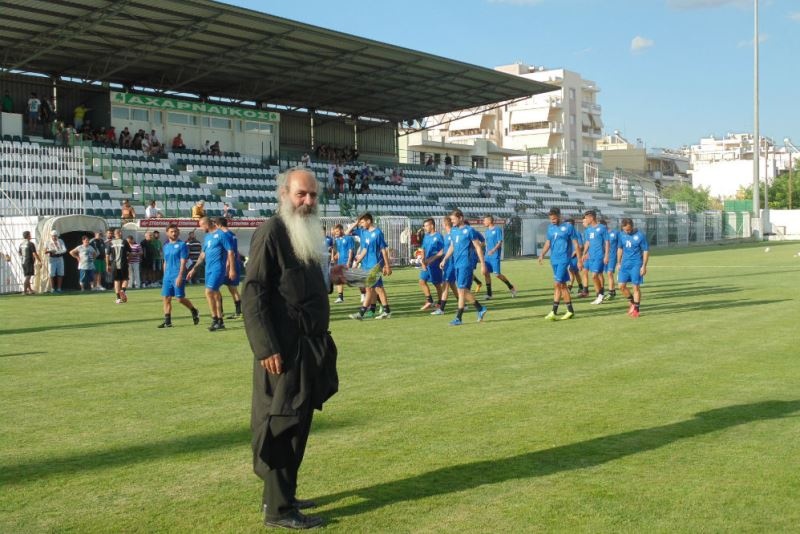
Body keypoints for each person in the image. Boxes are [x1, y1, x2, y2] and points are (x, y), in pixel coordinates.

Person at [242, 167, 341, 530]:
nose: (308, 201)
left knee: (298, 426)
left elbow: (299, 287)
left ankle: (285, 495)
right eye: (302, 194)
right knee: (282, 426)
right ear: (284, 194)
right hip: (281, 353)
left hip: (309, 349)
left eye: (313, 195)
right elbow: (253, 294)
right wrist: (265, 346)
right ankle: (278, 510)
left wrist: (333, 281)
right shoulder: (271, 231)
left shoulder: (307, 233)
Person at [440, 209, 488, 326]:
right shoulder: (453, 231)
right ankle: (460, 318)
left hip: (465, 264)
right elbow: (452, 246)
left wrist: (482, 264)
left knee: (461, 289)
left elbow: (478, 247)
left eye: (453, 219)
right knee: (462, 291)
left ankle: (479, 308)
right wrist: (445, 259)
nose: (452, 221)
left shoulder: (469, 230)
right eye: (451, 220)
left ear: (460, 218)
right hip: (456, 263)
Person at [187, 217, 235, 331]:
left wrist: (232, 269)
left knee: (208, 292)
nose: (201, 228)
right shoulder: (207, 237)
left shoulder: (222, 235)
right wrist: (193, 269)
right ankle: (220, 321)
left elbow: (230, 251)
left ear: (207, 224)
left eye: (201, 225)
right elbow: (202, 255)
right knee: (215, 293)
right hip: (208, 269)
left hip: (218, 268)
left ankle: (214, 319)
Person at [347, 212, 392, 320]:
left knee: (373, 288)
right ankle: (384, 311)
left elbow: (383, 250)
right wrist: (356, 222)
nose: (361, 224)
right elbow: (347, 232)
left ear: (369, 221)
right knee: (374, 288)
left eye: (362, 222)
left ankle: (363, 313)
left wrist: (387, 265)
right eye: (360, 222)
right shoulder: (363, 232)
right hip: (366, 264)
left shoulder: (377, 233)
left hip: (375, 263)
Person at [538, 207, 581, 321]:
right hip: (554, 259)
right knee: (562, 285)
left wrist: (580, 260)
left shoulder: (568, 227)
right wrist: (542, 254)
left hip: (564, 259)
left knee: (557, 284)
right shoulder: (550, 228)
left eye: (554, 218)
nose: (553, 221)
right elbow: (548, 242)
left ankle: (554, 311)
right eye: (551, 219)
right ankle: (569, 311)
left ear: (559, 216)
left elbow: (576, 244)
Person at [158, 223, 200, 328]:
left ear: (179, 232)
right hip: (167, 275)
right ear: (167, 233)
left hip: (177, 274)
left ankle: (194, 310)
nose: (174, 233)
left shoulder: (182, 245)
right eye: (172, 231)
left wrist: (180, 276)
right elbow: (165, 262)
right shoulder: (166, 246)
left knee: (179, 298)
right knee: (166, 298)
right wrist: (164, 275)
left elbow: (183, 262)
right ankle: (167, 321)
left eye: (176, 231)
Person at [616, 217, 650, 318]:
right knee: (621, 286)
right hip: (624, 264)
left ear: (632, 226)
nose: (628, 231)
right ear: (622, 228)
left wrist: (644, 266)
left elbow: (645, 251)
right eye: (626, 229)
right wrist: (618, 262)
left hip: (636, 264)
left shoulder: (640, 236)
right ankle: (632, 302)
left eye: (629, 229)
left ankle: (636, 310)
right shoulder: (621, 235)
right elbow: (620, 249)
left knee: (635, 287)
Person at [482, 215, 517, 300]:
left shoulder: (497, 229)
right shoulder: (486, 231)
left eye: (484, 221)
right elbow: (486, 243)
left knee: (497, 274)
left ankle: (511, 287)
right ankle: (489, 294)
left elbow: (499, 242)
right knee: (486, 273)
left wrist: (493, 250)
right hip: (487, 256)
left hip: (495, 255)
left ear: (490, 221)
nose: (483, 222)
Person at [216, 217, 243, 319]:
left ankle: (220, 313)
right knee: (233, 289)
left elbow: (229, 252)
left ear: (218, 225)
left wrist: (228, 267)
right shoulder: (232, 234)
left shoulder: (224, 235)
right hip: (234, 263)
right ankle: (238, 312)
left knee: (215, 288)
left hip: (228, 265)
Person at [581, 210, 609, 305]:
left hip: (599, 256)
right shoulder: (588, 230)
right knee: (595, 276)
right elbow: (587, 243)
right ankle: (599, 296)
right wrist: (584, 254)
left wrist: (606, 255)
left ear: (591, 217)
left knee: (594, 276)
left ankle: (600, 295)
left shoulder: (602, 228)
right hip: (591, 256)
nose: (585, 220)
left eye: (586, 218)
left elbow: (607, 242)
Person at [418, 218, 445, 311]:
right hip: (426, 264)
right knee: (422, 281)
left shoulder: (438, 236)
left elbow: (444, 249)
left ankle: (440, 303)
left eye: (426, 226)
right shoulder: (426, 236)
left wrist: (438, 259)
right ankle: (429, 300)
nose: (425, 228)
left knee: (437, 284)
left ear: (432, 225)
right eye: (424, 226)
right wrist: (423, 261)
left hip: (435, 264)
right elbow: (423, 249)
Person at [107, 228, 132, 303]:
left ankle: (118, 298)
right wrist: (128, 259)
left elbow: (107, 255)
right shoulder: (124, 241)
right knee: (125, 279)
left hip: (114, 264)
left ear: (114, 234)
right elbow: (130, 252)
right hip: (123, 263)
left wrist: (107, 265)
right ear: (120, 233)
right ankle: (123, 290)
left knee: (116, 281)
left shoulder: (111, 242)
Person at [332, 223, 355, 303]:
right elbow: (339, 251)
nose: (336, 233)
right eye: (335, 232)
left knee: (352, 280)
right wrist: (335, 256)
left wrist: (349, 261)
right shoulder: (337, 240)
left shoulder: (349, 238)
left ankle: (364, 294)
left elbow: (350, 250)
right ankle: (340, 297)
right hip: (340, 262)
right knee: (339, 279)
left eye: (337, 231)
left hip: (347, 261)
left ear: (342, 230)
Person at [18, 230, 40, 295]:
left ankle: (30, 290)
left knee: (27, 276)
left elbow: (19, 252)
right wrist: (39, 261)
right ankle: (24, 291)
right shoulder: (30, 244)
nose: (31, 236)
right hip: (29, 261)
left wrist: (22, 257)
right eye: (30, 235)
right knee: (28, 276)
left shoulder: (21, 244)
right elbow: (34, 253)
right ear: (28, 236)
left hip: (23, 262)